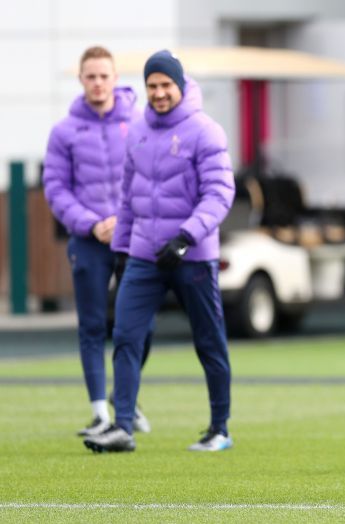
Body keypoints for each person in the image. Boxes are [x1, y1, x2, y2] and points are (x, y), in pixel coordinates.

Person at [83, 50, 235, 453]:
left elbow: (220, 194)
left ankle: (219, 428)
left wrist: (186, 237)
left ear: (180, 86)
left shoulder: (206, 131)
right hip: (144, 257)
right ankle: (123, 428)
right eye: (152, 85)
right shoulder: (137, 131)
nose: (159, 92)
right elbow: (129, 198)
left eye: (166, 84)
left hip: (193, 257)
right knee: (126, 337)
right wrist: (122, 249)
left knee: (209, 342)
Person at [43, 46, 152, 438]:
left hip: (132, 237)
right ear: (81, 80)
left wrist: (124, 221)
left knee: (138, 325)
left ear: (115, 78)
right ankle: (100, 412)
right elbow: (55, 188)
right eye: (91, 76)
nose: (98, 83)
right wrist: (91, 225)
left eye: (104, 76)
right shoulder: (64, 131)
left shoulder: (139, 124)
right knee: (91, 325)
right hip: (87, 241)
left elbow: (150, 179)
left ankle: (126, 398)